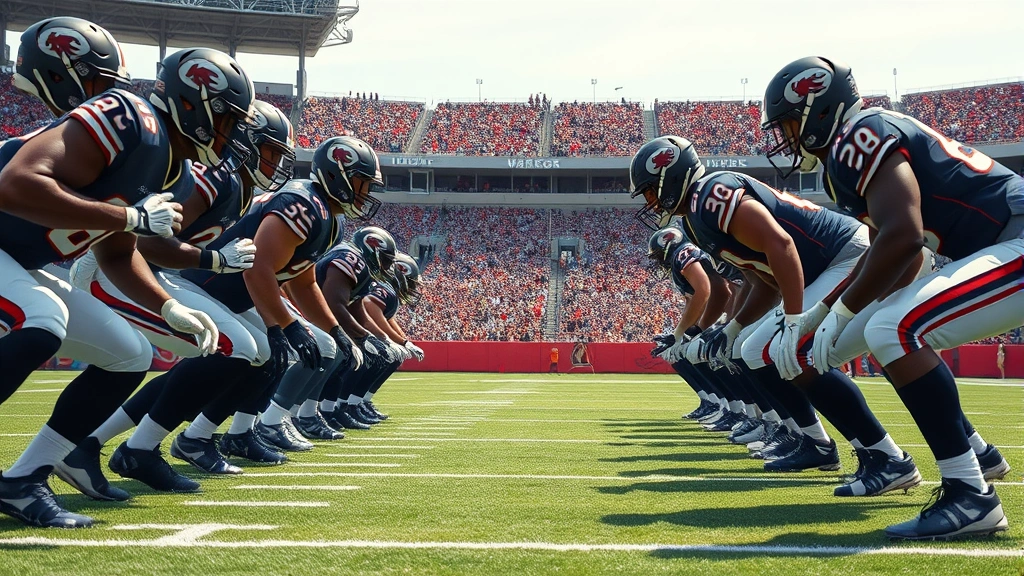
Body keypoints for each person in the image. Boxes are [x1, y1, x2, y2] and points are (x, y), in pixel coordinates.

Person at [0, 31, 251, 527]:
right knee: (42, 318)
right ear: (191, 103)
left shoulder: (173, 168)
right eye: (225, 118)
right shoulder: (128, 116)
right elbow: (14, 184)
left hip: (18, 258)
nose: (229, 133)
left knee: (129, 352)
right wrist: (130, 217)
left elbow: (117, 253)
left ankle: (23, 480)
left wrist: (167, 306)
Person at [763, 56, 1015, 539]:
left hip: (1014, 237)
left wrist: (842, 312)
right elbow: (886, 248)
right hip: (1002, 241)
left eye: (790, 123)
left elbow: (903, 236)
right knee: (892, 326)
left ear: (818, 108)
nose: (787, 138)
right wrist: (823, 311)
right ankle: (976, 460)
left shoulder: (860, 135)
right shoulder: (860, 139)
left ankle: (970, 492)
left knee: (894, 328)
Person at [631, 136, 920, 492]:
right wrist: (734, 326)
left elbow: (781, 244)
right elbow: (762, 280)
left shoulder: (710, 194)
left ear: (671, 177)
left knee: (790, 350)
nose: (649, 201)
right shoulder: (693, 219)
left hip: (845, 254)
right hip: (820, 269)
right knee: (753, 350)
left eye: (650, 191)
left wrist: (794, 318)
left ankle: (886, 455)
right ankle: (815, 442)